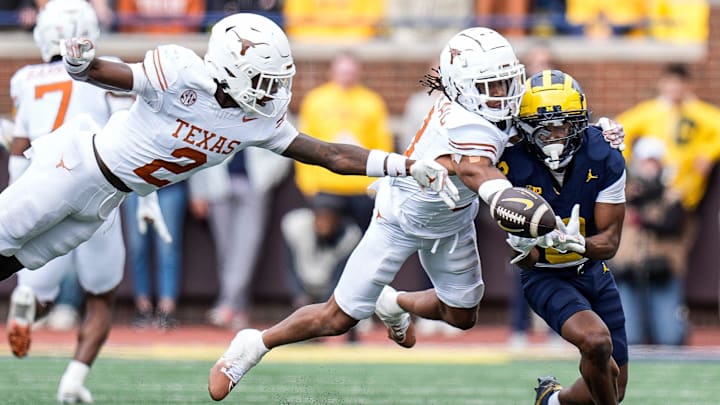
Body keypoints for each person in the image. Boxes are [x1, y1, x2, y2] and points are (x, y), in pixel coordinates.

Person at [0, 11, 454, 301]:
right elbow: (113, 74)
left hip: (106, 201)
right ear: (228, 66)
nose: (271, 90)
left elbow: (327, 153)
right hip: (75, 168)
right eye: (262, 78)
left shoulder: (257, 119)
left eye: (275, 79)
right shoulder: (180, 73)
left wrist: (404, 165)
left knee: (19, 259)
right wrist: (82, 66)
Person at [207, 26, 531, 401]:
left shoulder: (489, 106)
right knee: (337, 319)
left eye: (507, 82)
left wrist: (596, 134)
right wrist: (512, 201)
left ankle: (394, 302)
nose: (502, 95)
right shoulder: (464, 121)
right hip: (397, 218)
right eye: (489, 86)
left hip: (452, 221)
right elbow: (478, 171)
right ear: (460, 86)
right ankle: (254, 344)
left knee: (463, 316)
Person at [373, 70, 628, 405]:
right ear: (524, 129)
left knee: (614, 385)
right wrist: (527, 241)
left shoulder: (603, 154)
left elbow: (609, 243)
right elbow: (526, 257)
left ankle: (550, 402)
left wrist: (576, 242)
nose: (554, 138)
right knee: (595, 342)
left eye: (563, 126)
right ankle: (397, 300)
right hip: (545, 277)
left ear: (580, 124)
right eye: (543, 129)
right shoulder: (507, 160)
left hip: (593, 271)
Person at [2, 0, 164, 403]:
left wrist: (15, 193)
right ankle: (73, 380)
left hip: (39, 187)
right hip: (96, 188)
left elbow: (19, 150)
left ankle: (30, 301)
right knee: (101, 296)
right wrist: (148, 200)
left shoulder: (25, 77)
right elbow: (134, 136)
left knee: (36, 284)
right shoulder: (104, 66)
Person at [189, 146, 291, 329]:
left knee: (246, 250)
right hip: (218, 186)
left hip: (253, 185)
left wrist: (267, 178)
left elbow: (285, 147)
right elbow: (199, 147)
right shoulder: (214, 115)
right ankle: (239, 309)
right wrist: (198, 192)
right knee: (226, 251)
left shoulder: (265, 115)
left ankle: (226, 305)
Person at [294, 51, 394, 232]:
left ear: (359, 73)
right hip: (326, 185)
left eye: (350, 71)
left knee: (366, 239)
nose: (347, 76)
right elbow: (303, 142)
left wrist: (379, 183)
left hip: (361, 187)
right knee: (326, 245)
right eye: (342, 71)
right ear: (331, 72)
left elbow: (382, 144)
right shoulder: (316, 100)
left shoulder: (371, 102)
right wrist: (308, 184)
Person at [611, 137, 690, 345]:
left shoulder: (672, 197)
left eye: (654, 162)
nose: (650, 167)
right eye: (646, 162)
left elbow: (672, 226)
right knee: (630, 337)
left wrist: (644, 217)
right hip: (627, 272)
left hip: (660, 271)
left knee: (670, 337)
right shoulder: (621, 196)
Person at [124, 181, 187, 329]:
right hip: (136, 185)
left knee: (168, 247)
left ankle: (167, 308)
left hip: (170, 183)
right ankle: (142, 307)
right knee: (137, 247)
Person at [281, 193, 362, 308]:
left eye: (329, 218)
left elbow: (341, 275)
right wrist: (299, 294)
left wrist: (327, 302)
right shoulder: (296, 226)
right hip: (305, 288)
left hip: (334, 295)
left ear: (338, 219)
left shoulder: (350, 236)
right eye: (320, 217)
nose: (324, 223)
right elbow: (289, 266)